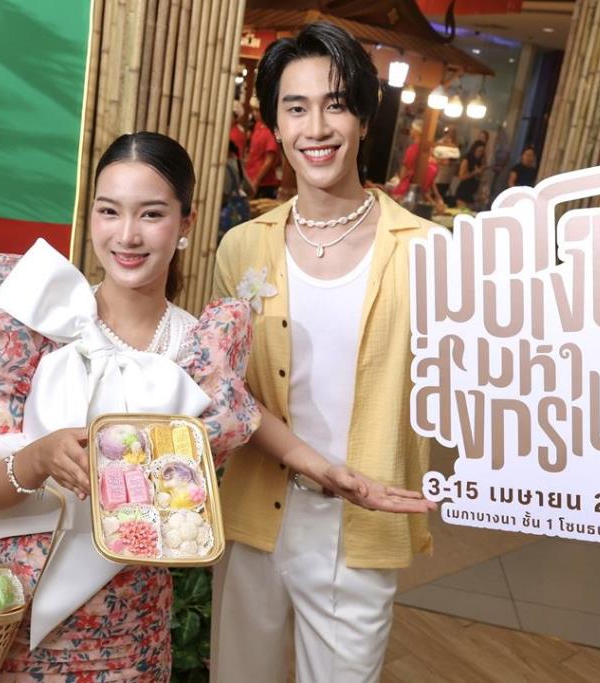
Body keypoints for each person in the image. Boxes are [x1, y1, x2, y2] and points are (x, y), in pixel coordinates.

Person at [0, 132, 269, 680]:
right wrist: (38, 458)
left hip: (131, 629)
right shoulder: (41, 320)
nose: (127, 235)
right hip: (13, 612)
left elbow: (196, 502)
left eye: (151, 214)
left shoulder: (199, 354)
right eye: (109, 211)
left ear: (186, 223)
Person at [211, 21, 437, 683]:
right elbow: (225, 390)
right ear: (275, 125)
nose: (316, 127)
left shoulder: (428, 252)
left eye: (335, 104)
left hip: (361, 528)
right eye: (296, 108)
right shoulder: (242, 248)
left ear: (364, 118)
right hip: (255, 515)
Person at [245, 99, 282, 198]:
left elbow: (269, 161)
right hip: (251, 177)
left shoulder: (271, 131)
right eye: (254, 110)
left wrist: (256, 181)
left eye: (257, 111)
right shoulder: (258, 126)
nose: (255, 113)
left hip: (264, 184)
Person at [390, 118, 423, 198]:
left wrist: (399, 182)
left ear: (416, 131)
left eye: (412, 128)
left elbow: (405, 169)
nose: (410, 131)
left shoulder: (413, 149)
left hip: (406, 187)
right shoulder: (424, 150)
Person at [455, 139, 486, 208]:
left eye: (482, 152)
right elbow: (461, 177)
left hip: (473, 193)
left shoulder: (479, 161)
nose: (480, 153)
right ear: (474, 150)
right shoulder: (467, 159)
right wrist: (474, 172)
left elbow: (480, 177)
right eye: (479, 151)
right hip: (464, 192)